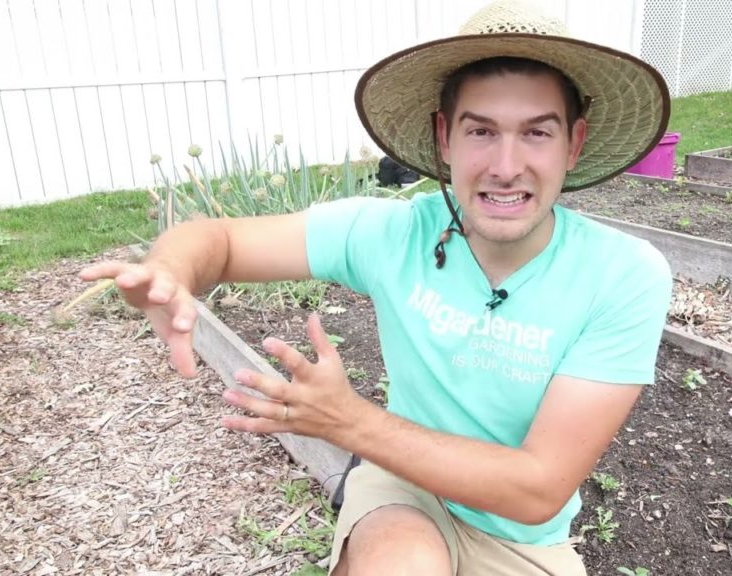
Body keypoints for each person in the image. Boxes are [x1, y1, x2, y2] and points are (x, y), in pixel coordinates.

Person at [80, 1, 673, 574]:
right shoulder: (394, 234)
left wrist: (348, 423)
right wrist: (171, 270)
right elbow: (222, 239)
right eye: (481, 131)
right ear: (445, 137)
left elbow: (538, 487)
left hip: (520, 537)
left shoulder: (621, 276)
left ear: (575, 142)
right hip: (404, 489)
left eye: (537, 134)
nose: (506, 165)